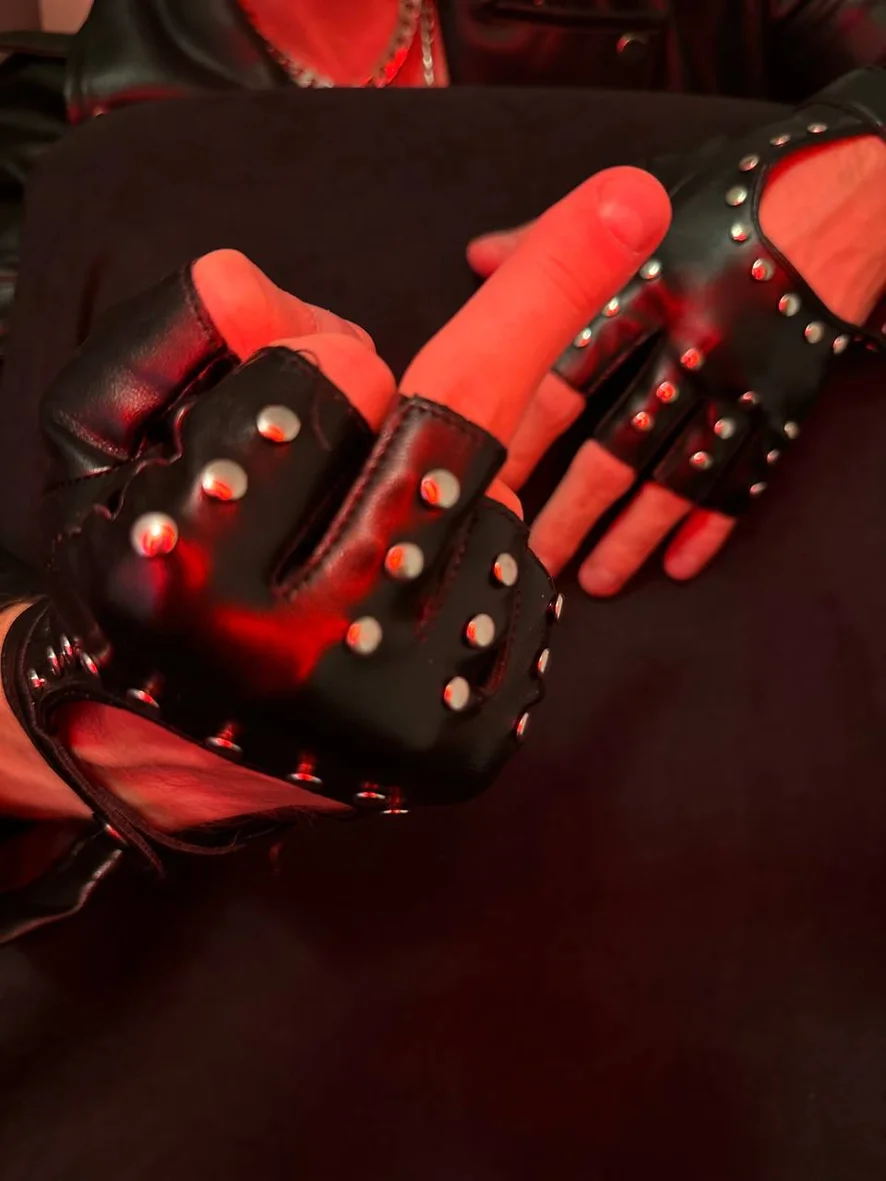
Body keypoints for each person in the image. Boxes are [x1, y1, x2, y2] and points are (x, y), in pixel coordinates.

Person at [0, 78, 884, 1180]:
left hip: (761, 782)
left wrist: (858, 174)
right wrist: (69, 714)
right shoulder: (58, 137)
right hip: (208, 1005)